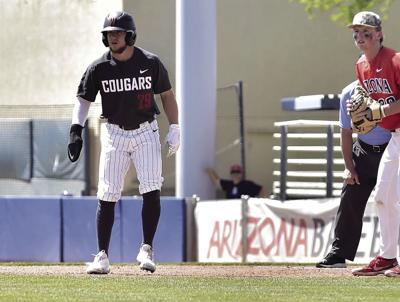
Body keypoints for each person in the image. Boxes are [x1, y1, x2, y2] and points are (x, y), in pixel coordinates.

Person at [67, 11, 180, 274]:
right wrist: (76, 129)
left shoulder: (150, 62)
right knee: (107, 193)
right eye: (109, 33)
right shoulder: (99, 67)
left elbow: (167, 94)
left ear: (130, 35)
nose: (113, 37)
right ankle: (102, 256)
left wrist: (175, 126)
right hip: (115, 133)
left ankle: (147, 248)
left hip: (145, 131)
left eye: (118, 32)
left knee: (151, 188)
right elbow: (83, 100)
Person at [344, 11, 400, 277]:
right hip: (396, 137)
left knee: (396, 197)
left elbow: (382, 108)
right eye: (357, 32)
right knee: (382, 196)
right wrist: (360, 109)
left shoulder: (396, 60)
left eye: (367, 32)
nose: (360, 37)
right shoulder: (361, 66)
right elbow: (369, 103)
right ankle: (388, 257)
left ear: (379, 33)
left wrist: (379, 112)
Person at [316, 81, 391, 268]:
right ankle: (339, 253)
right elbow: (345, 131)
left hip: (392, 148)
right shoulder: (349, 91)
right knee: (350, 197)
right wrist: (349, 166)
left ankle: (391, 256)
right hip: (363, 150)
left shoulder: (390, 85)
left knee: (393, 201)